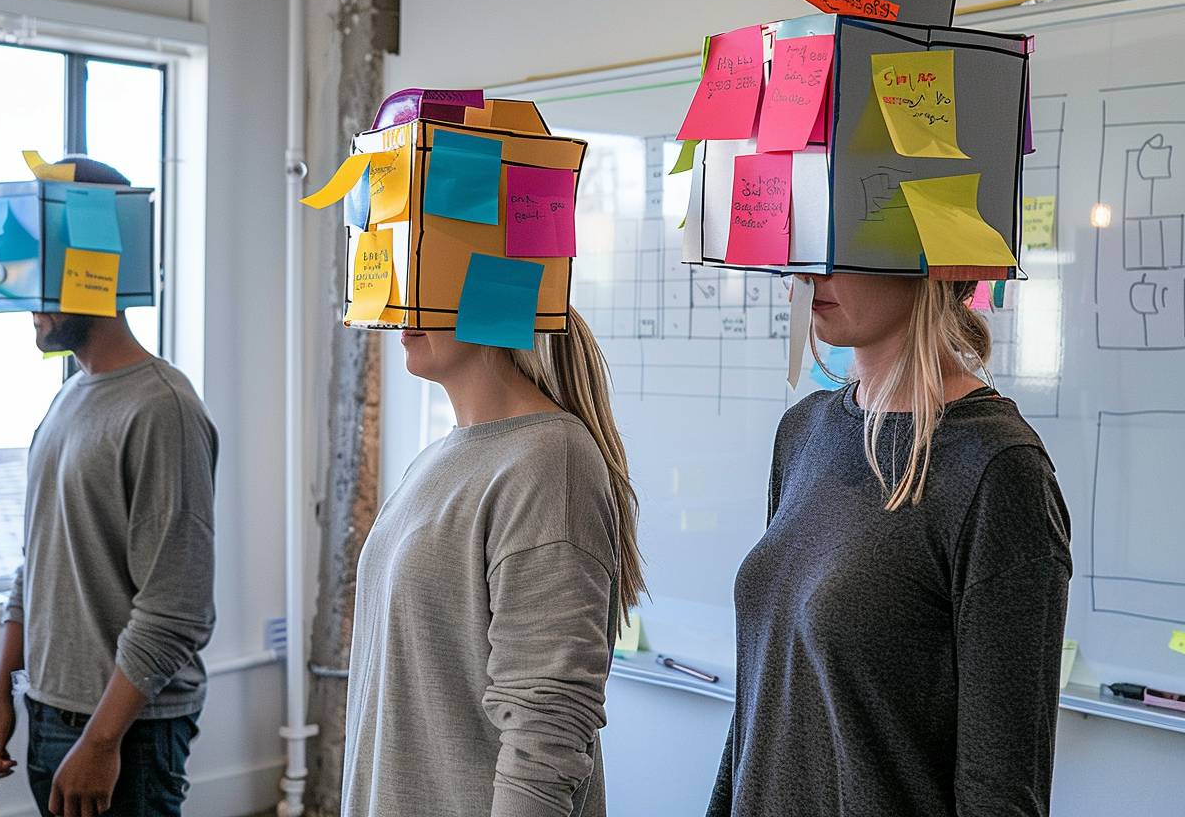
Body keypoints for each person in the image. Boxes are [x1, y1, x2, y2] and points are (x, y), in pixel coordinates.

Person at [707, 275, 1071, 816]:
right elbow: (763, 705)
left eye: (840, 244)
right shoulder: (803, 431)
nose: (807, 276)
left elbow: (1001, 792)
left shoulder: (998, 468)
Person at [0, 158, 218, 817]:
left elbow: (178, 609)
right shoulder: (67, 399)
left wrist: (102, 741)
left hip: (127, 731)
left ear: (94, 266)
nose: (24, 296)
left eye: (38, 270)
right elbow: (37, 561)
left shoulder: (163, 408)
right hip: (49, 710)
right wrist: (4, 689)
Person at [341, 307, 645, 817]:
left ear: (491, 291)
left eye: (428, 280)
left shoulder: (549, 463)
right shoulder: (437, 459)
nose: (401, 311)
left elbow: (545, 729)